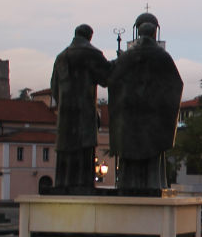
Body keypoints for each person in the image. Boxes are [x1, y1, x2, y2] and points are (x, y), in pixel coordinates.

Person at [107, 13, 184, 192]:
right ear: (155, 33)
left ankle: (127, 186)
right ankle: (153, 186)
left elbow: (112, 81)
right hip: (153, 118)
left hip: (129, 117)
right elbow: (175, 84)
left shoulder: (126, 57)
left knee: (130, 155)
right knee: (152, 158)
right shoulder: (162, 56)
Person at [50, 24, 111, 191]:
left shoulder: (61, 57)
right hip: (85, 110)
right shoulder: (92, 54)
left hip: (65, 113)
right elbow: (106, 78)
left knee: (66, 147)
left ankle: (63, 182)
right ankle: (82, 183)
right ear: (90, 36)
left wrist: (63, 104)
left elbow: (54, 87)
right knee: (84, 147)